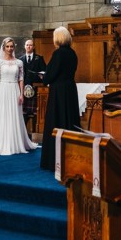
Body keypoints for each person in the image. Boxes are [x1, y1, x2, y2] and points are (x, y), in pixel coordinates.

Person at [0, 38, 37, 155]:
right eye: (8, 46)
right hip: (1, 90)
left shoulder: (19, 62)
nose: (10, 49)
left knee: (14, 115)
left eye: (12, 46)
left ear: (14, 48)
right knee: (0, 115)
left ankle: (14, 142)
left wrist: (21, 94)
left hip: (14, 90)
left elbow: (21, 79)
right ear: (4, 47)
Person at [39, 27, 80, 171]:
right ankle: (73, 157)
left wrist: (44, 77)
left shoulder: (58, 54)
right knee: (69, 120)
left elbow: (50, 74)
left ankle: (54, 160)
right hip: (70, 89)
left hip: (59, 91)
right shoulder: (72, 53)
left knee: (57, 121)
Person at [21, 39, 46, 131]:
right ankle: (23, 133)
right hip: (23, 89)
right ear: (24, 46)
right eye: (27, 45)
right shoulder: (20, 59)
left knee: (36, 112)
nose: (28, 46)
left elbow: (44, 72)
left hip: (36, 89)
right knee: (24, 113)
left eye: (30, 45)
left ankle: (35, 132)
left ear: (34, 47)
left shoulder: (39, 58)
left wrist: (41, 75)